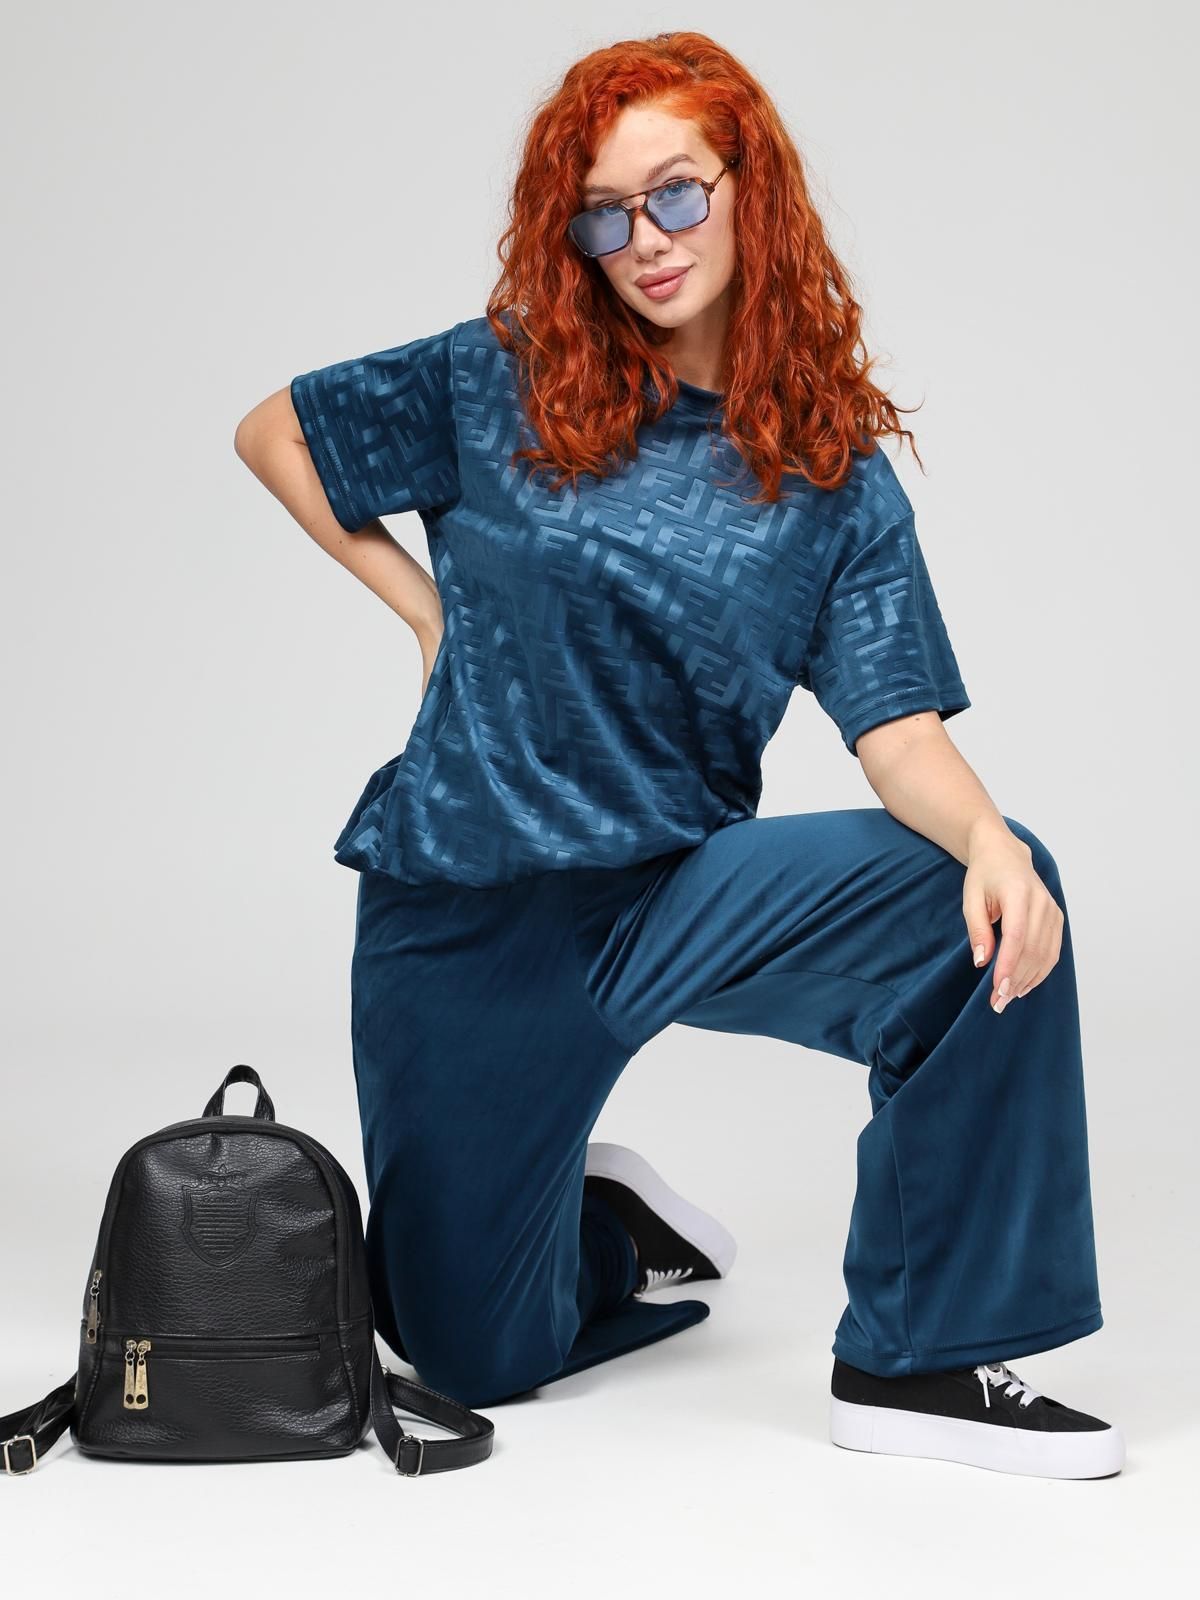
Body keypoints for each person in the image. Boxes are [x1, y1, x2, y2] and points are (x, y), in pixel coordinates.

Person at [235, 30, 1124, 1479]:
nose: (643, 240)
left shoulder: (827, 476)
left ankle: (919, 1359)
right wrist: (425, 613)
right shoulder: (503, 377)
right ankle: (605, 1226)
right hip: (460, 919)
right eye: (604, 213)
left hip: (666, 899)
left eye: (676, 194)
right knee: (468, 1354)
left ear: (749, 188)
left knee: (992, 896)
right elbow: (276, 432)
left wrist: (989, 838)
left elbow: (899, 731)